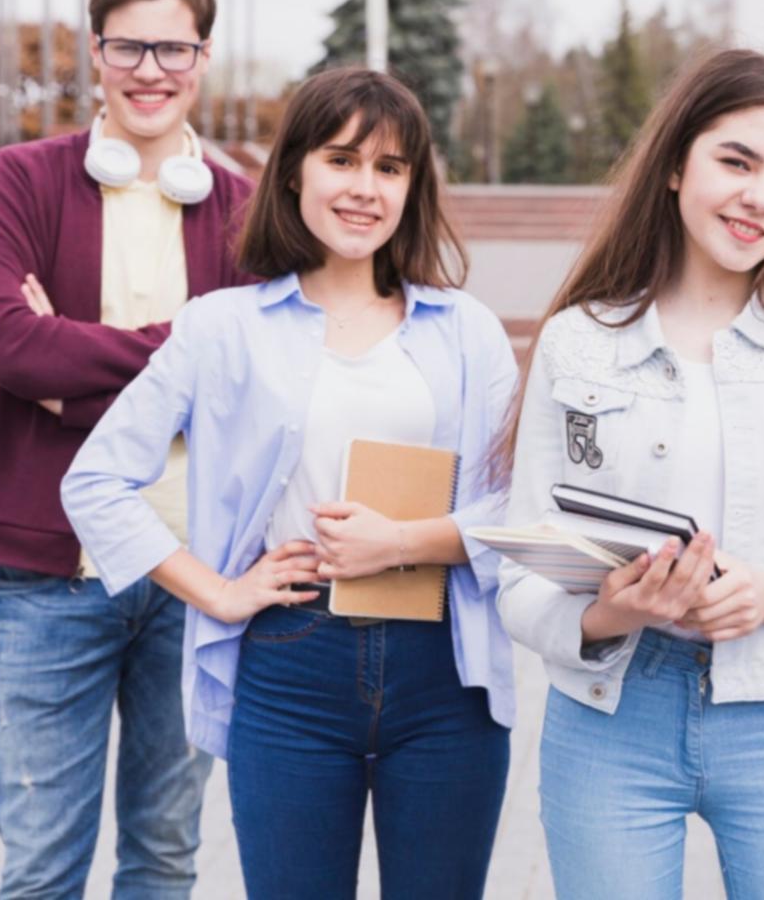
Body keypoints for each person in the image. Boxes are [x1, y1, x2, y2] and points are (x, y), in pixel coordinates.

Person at [61, 67, 516, 900]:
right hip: (292, 662)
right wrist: (219, 593)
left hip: (445, 670)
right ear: (296, 169)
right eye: (342, 160)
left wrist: (402, 542)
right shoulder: (223, 328)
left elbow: (511, 509)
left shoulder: (467, 332)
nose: (365, 189)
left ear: (413, 188)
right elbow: (95, 482)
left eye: (390, 168)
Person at [489, 48, 764, 900]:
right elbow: (519, 577)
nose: (761, 197)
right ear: (674, 166)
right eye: (736, 161)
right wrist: (609, 612)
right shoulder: (579, 340)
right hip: (608, 721)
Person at [0, 0, 251, 898]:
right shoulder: (21, 179)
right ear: (96, 52)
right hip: (52, 573)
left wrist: (73, 358)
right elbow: (12, 350)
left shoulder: (247, 210)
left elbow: (248, 375)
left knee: (165, 858)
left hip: (195, 566)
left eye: (174, 48)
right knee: (41, 865)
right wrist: (182, 359)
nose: (151, 71)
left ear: (203, 58)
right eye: (130, 47)